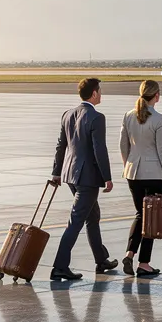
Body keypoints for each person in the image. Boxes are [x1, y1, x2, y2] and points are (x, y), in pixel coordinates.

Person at [50, 78, 118, 280]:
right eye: (100, 91)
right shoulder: (96, 117)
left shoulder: (67, 114)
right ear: (94, 94)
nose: (101, 94)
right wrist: (107, 177)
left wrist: (56, 172)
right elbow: (100, 150)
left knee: (92, 215)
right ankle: (60, 266)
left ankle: (101, 259)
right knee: (76, 221)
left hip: (70, 175)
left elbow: (60, 146)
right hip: (87, 178)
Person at [119, 79, 162, 277]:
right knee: (151, 219)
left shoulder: (128, 116)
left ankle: (129, 253)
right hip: (154, 175)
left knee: (140, 214)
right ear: (157, 96)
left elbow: (122, 145)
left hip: (133, 174)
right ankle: (144, 263)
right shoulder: (160, 119)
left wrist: (128, 165)